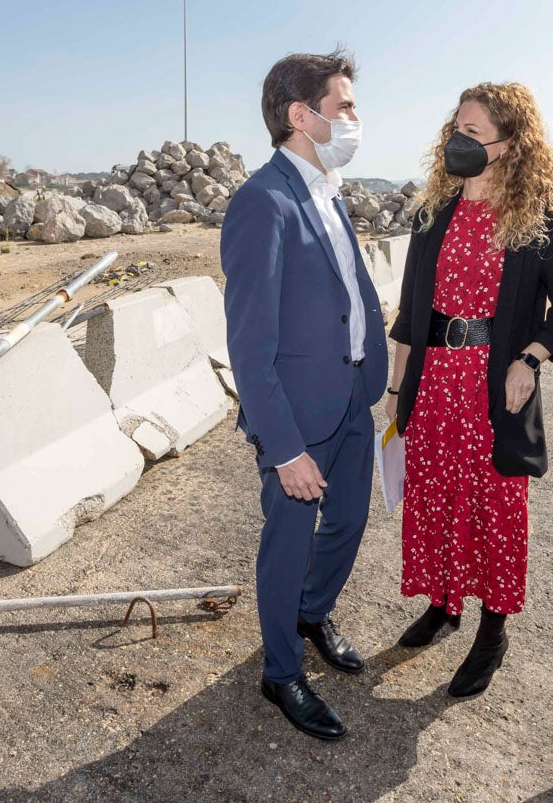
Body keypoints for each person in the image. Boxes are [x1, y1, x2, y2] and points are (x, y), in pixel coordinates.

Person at [385, 82, 553, 697]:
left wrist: (532, 357)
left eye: (474, 133)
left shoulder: (542, 218)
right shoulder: (433, 213)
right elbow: (408, 312)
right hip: (435, 381)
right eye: (456, 127)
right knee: (436, 497)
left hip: (493, 389)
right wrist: (397, 390)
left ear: (509, 144)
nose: (458, 141)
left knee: (495, 509)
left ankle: (491, 631)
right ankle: (444, 605)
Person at [220, 50, 388, 741]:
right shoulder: (262, 201)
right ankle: (280, 672)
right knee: (287, 546)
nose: (354, 118)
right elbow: (248, 343)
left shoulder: (329, 188)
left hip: (349, 395)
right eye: (343, 106)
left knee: (347, 524)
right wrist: (283, 447)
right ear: (301, 116)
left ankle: (310, 613)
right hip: (297, 416)